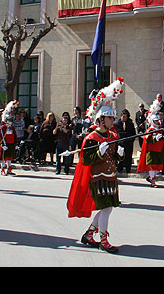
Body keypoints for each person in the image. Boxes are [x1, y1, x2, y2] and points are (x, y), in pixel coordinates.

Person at [67, 78, 125, 253]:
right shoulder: (91, 138)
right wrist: (99, 151)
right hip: (98, 179)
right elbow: (86, 160)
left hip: (110, 178)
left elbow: (113, 159)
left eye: (112, 117)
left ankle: (89, 235)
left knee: (106, 208)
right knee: (106, 209)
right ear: (101, 120)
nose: (112, 120)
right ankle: (103, 240)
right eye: (109, 118)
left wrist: (119, 156)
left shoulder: (112, 135)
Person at [137, 99, 164, 187]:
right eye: (156, 121)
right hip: (151, 150)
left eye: (158, 121)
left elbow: (159, 138)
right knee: (152, 166)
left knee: (158, 166)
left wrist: (163, 138)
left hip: (158, 150)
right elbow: (147, 139)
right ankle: (152, 180)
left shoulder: (159, 130)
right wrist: (155, 139)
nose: (158, 122)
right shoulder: (150, 130)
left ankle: (151, 178)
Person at [0, 101, 20, 176]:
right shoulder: (3, 127)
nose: (10, 121)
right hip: (5, 144)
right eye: (9, 120)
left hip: (11, 144)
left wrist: (16, 144)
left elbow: (15, 136)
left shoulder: (12, 127)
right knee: (3, 158)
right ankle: (3, 169)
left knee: (9, 158)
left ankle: (9, 169)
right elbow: (0, 137)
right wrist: (2, 144)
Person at [115, 109, 136, 173]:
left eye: (125, 117)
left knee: (128, 156)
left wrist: (130, 140)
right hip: (120, 143)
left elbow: (133, 133)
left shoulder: (130, 124)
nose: (124, 118)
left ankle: (128, 168)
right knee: (120, 155)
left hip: (128, 143)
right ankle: (119, 168)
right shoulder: (117, 124)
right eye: (123, 116)